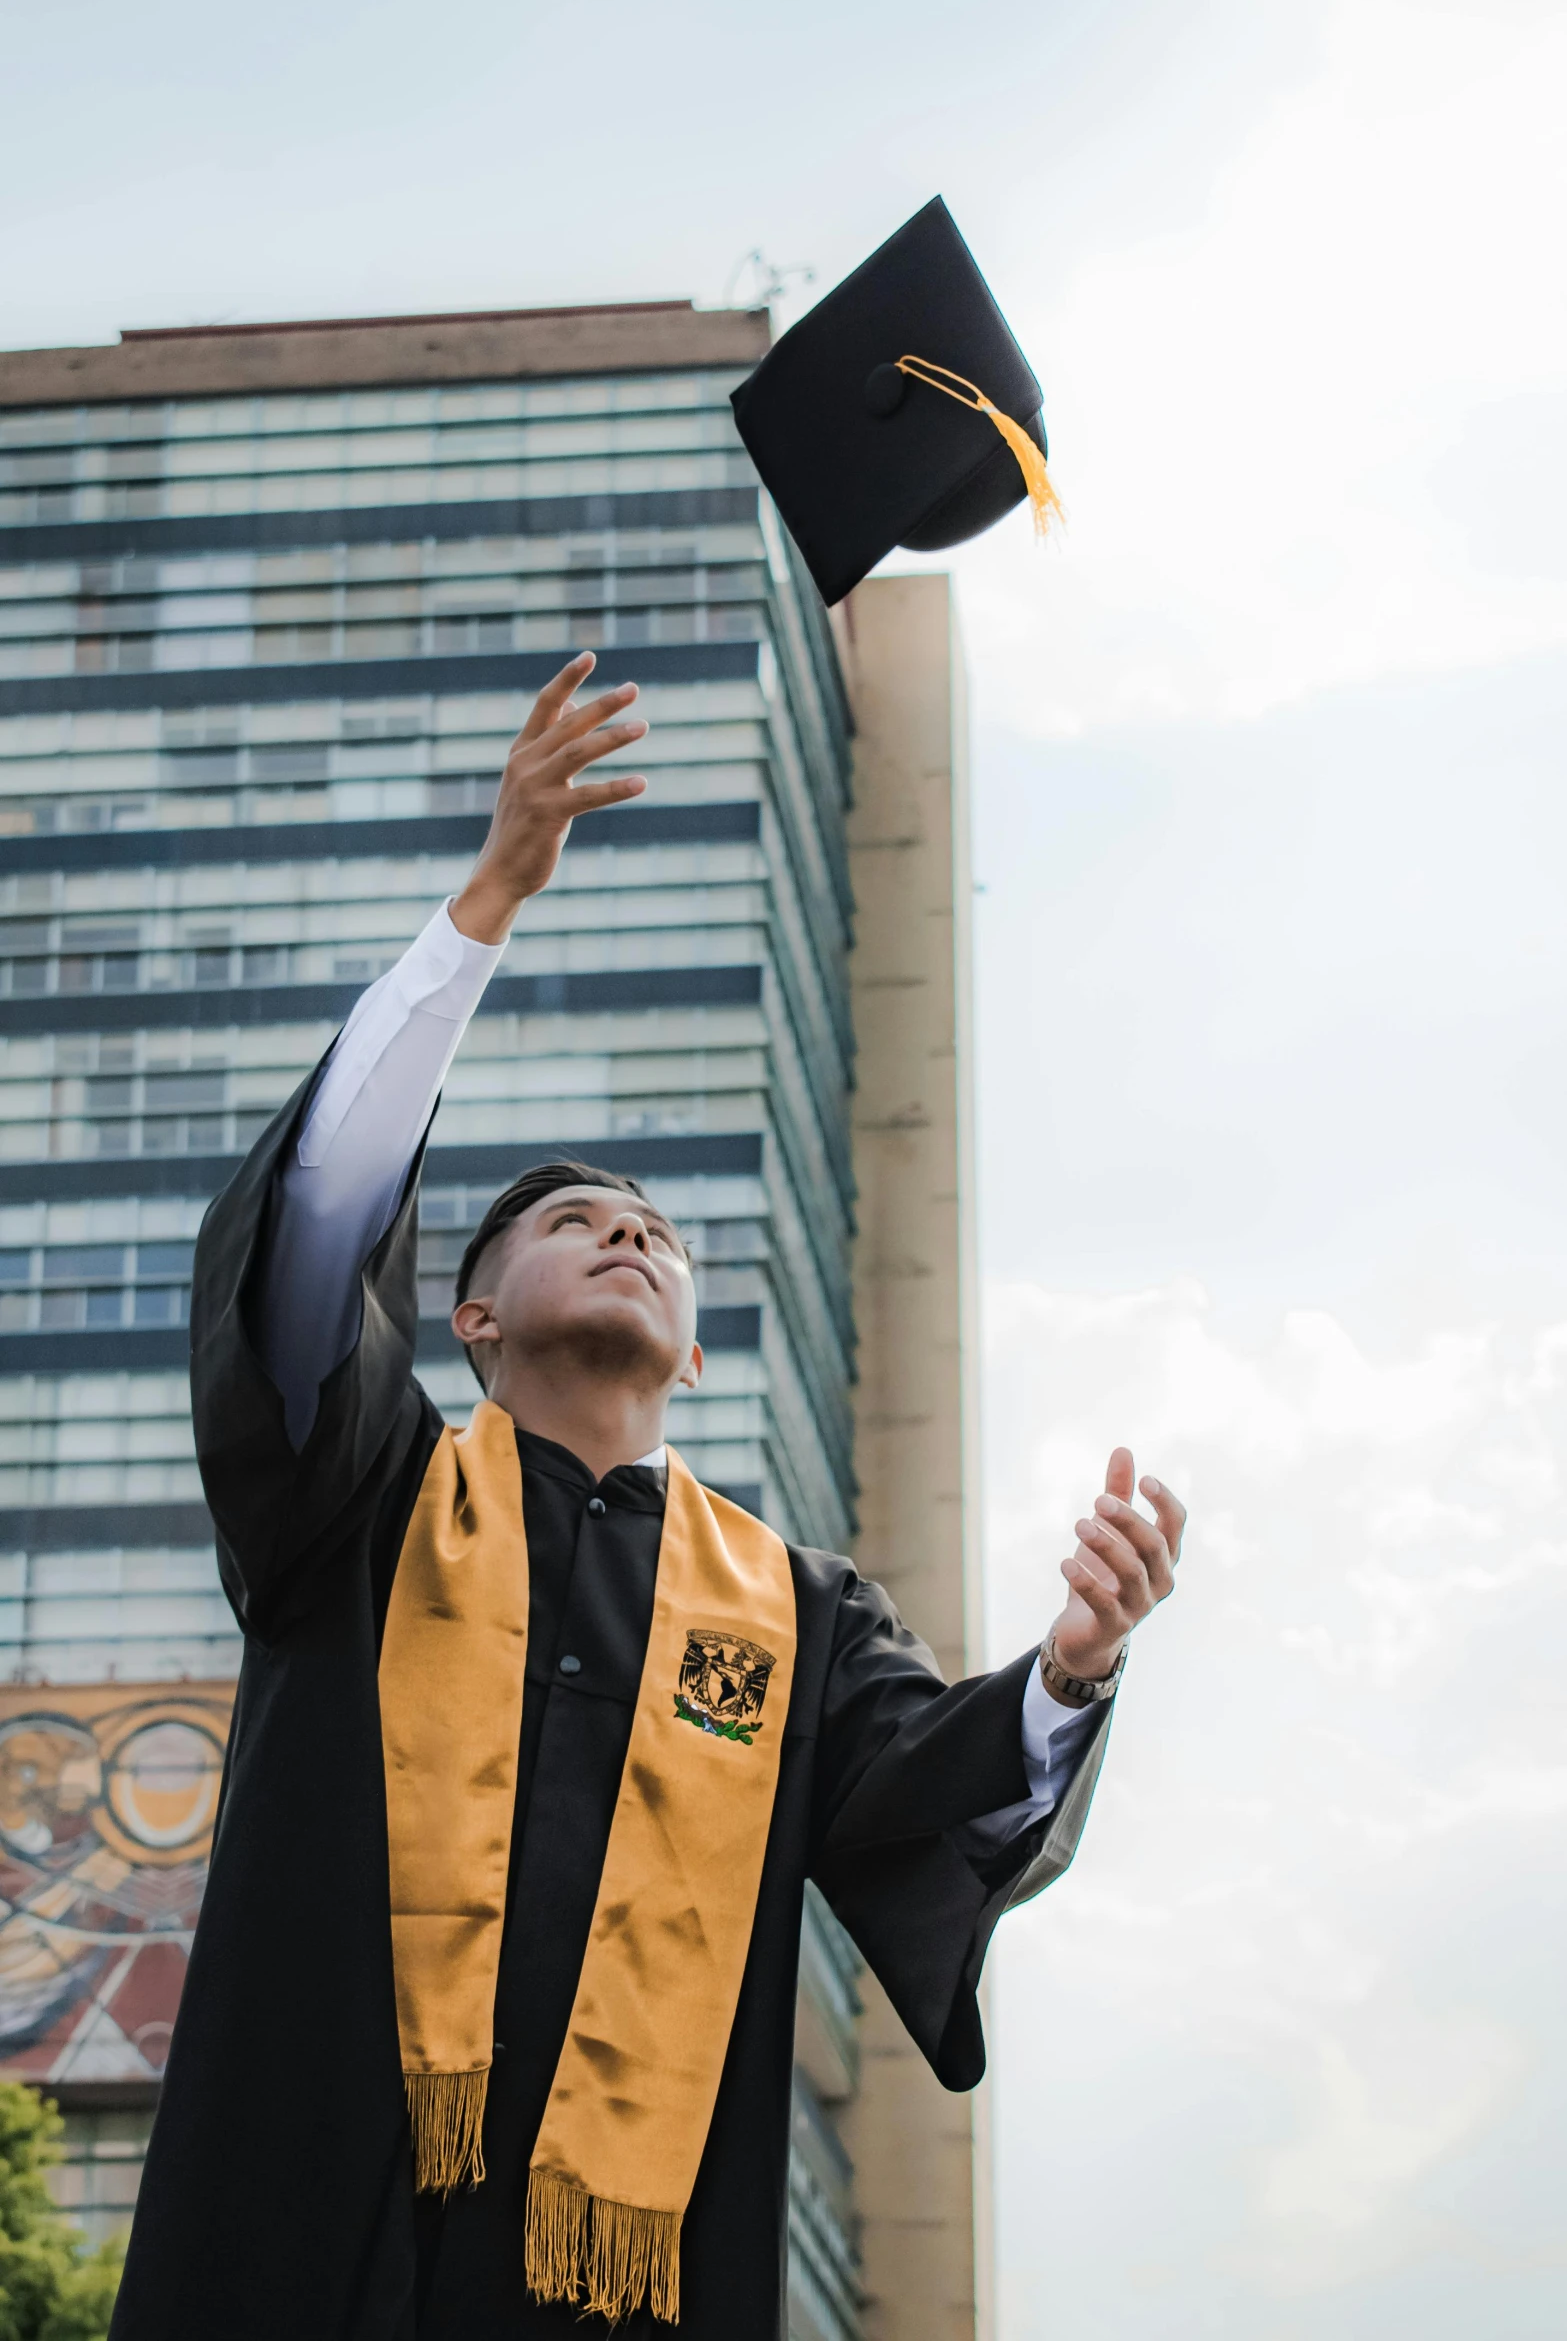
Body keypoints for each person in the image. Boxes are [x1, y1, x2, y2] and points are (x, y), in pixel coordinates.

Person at [108, 655, 1184, 2341]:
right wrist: (487, 901)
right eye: (568, 1222)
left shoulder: (792, 1610)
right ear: (464, 1318)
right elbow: (316, 1231)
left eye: (655, 1235)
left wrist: (1069, 1670)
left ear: (685, 1356)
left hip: (621, 2291)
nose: (625, 1231)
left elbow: (934, 1804)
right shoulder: (365, 1500)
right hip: (307, 2232)